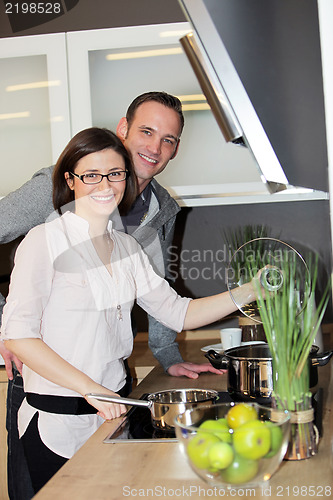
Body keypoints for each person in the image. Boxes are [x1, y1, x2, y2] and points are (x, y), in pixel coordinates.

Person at [1, 127, 257, 494]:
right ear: (71, 180)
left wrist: (249, 291)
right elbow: (19, 336)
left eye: (115, 173)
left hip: (113, 417)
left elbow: (178, 313)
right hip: (58, 424)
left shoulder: (126, 247)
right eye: (91, 175)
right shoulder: (44, 240)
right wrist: (91, 390)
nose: (106, 185)